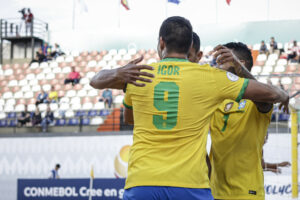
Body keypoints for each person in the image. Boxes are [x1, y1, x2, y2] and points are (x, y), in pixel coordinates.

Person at [92, 16, 289, 200]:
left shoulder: (139, 75)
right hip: (190, 184)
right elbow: (273, 94)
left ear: (161, 43)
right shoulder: (209, 79)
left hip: (142, 181)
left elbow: (100, 85)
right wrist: (285, 95)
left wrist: (119, 73)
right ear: (190, 48)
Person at [209, 42, 274, 200]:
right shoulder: (216, 98)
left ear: (240, 63)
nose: (218, 64)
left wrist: (239, 70)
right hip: (214, 191)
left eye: (223, 59)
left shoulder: (257, 98)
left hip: (246, 191)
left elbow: (268, 99)